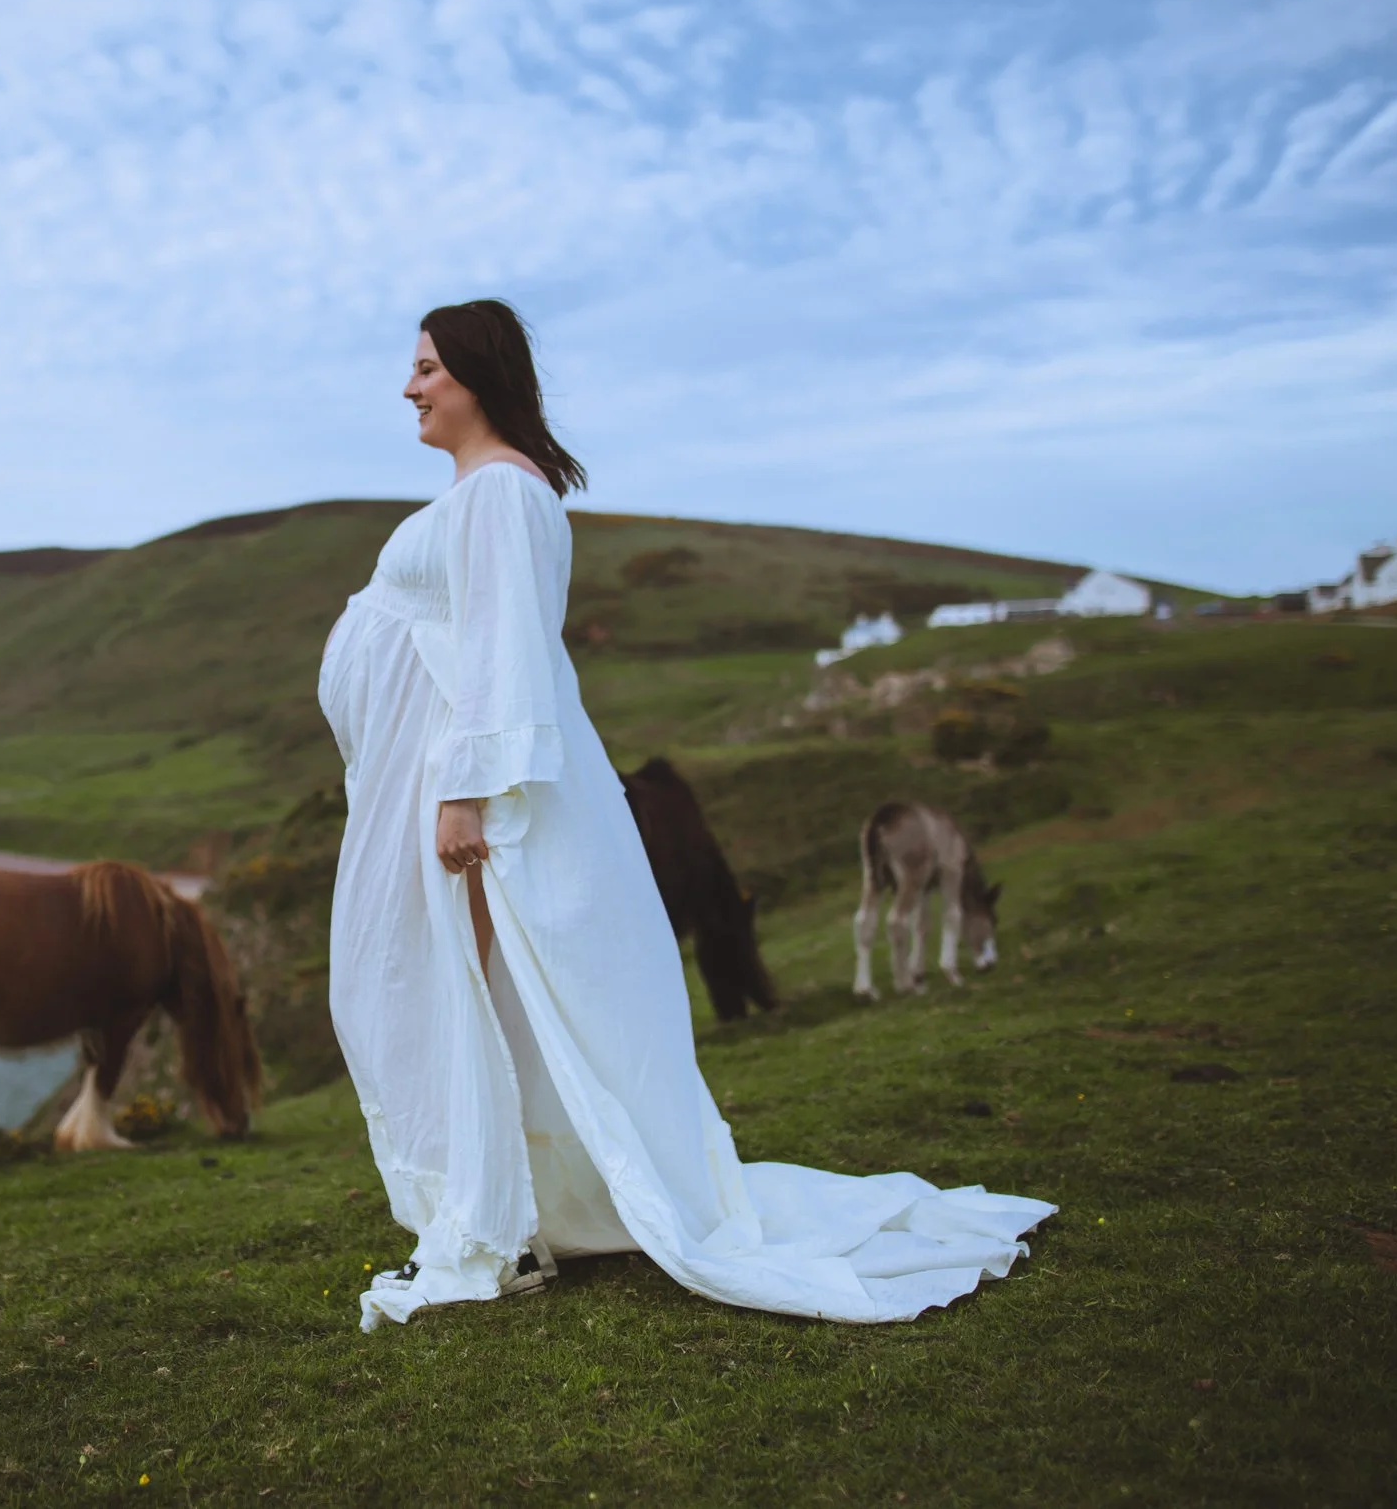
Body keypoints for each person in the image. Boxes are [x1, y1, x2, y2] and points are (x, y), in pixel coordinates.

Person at [316, 299, 1054, 1332]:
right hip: (442, 780)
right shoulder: (484, 494)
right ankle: (503, 1202)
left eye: (429, 367)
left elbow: (504, 652)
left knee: (471, 993)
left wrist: (461, 791)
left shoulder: (500, 496)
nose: (411, 386)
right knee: (473, 996)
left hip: (471, 795)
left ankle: (488, 1212)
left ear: (479, 373)